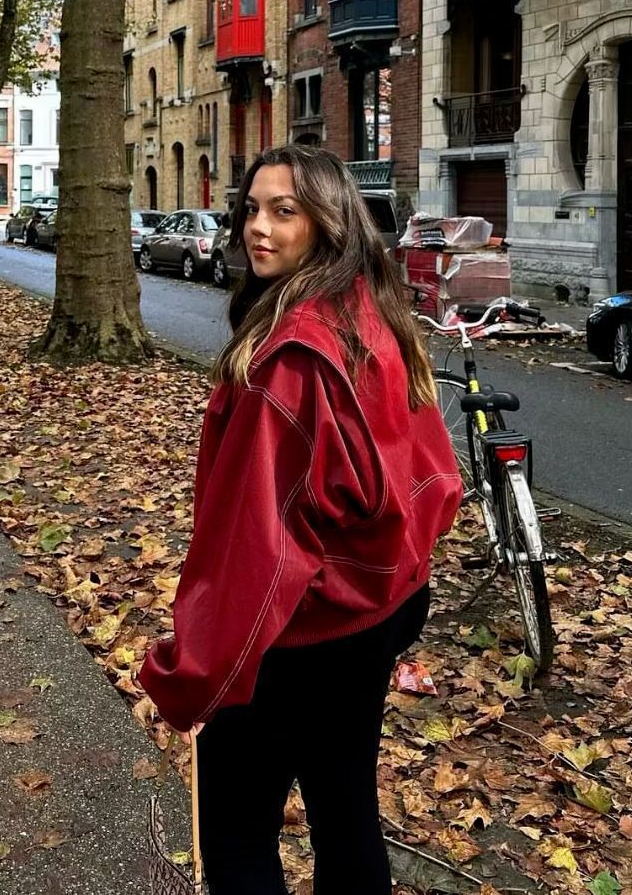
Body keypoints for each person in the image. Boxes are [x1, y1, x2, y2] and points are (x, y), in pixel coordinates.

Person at [139, 145, 463, 895]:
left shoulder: (291, 360)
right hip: (374, 608)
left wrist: (195, 672)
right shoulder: (369, 311)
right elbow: (431, 472)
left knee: (236, 831)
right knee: (345, 806)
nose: (259, 227)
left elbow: (256, 549)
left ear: (327, 221)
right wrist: (399, 579)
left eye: (284, 211)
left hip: (303, 633)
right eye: (252, 209)